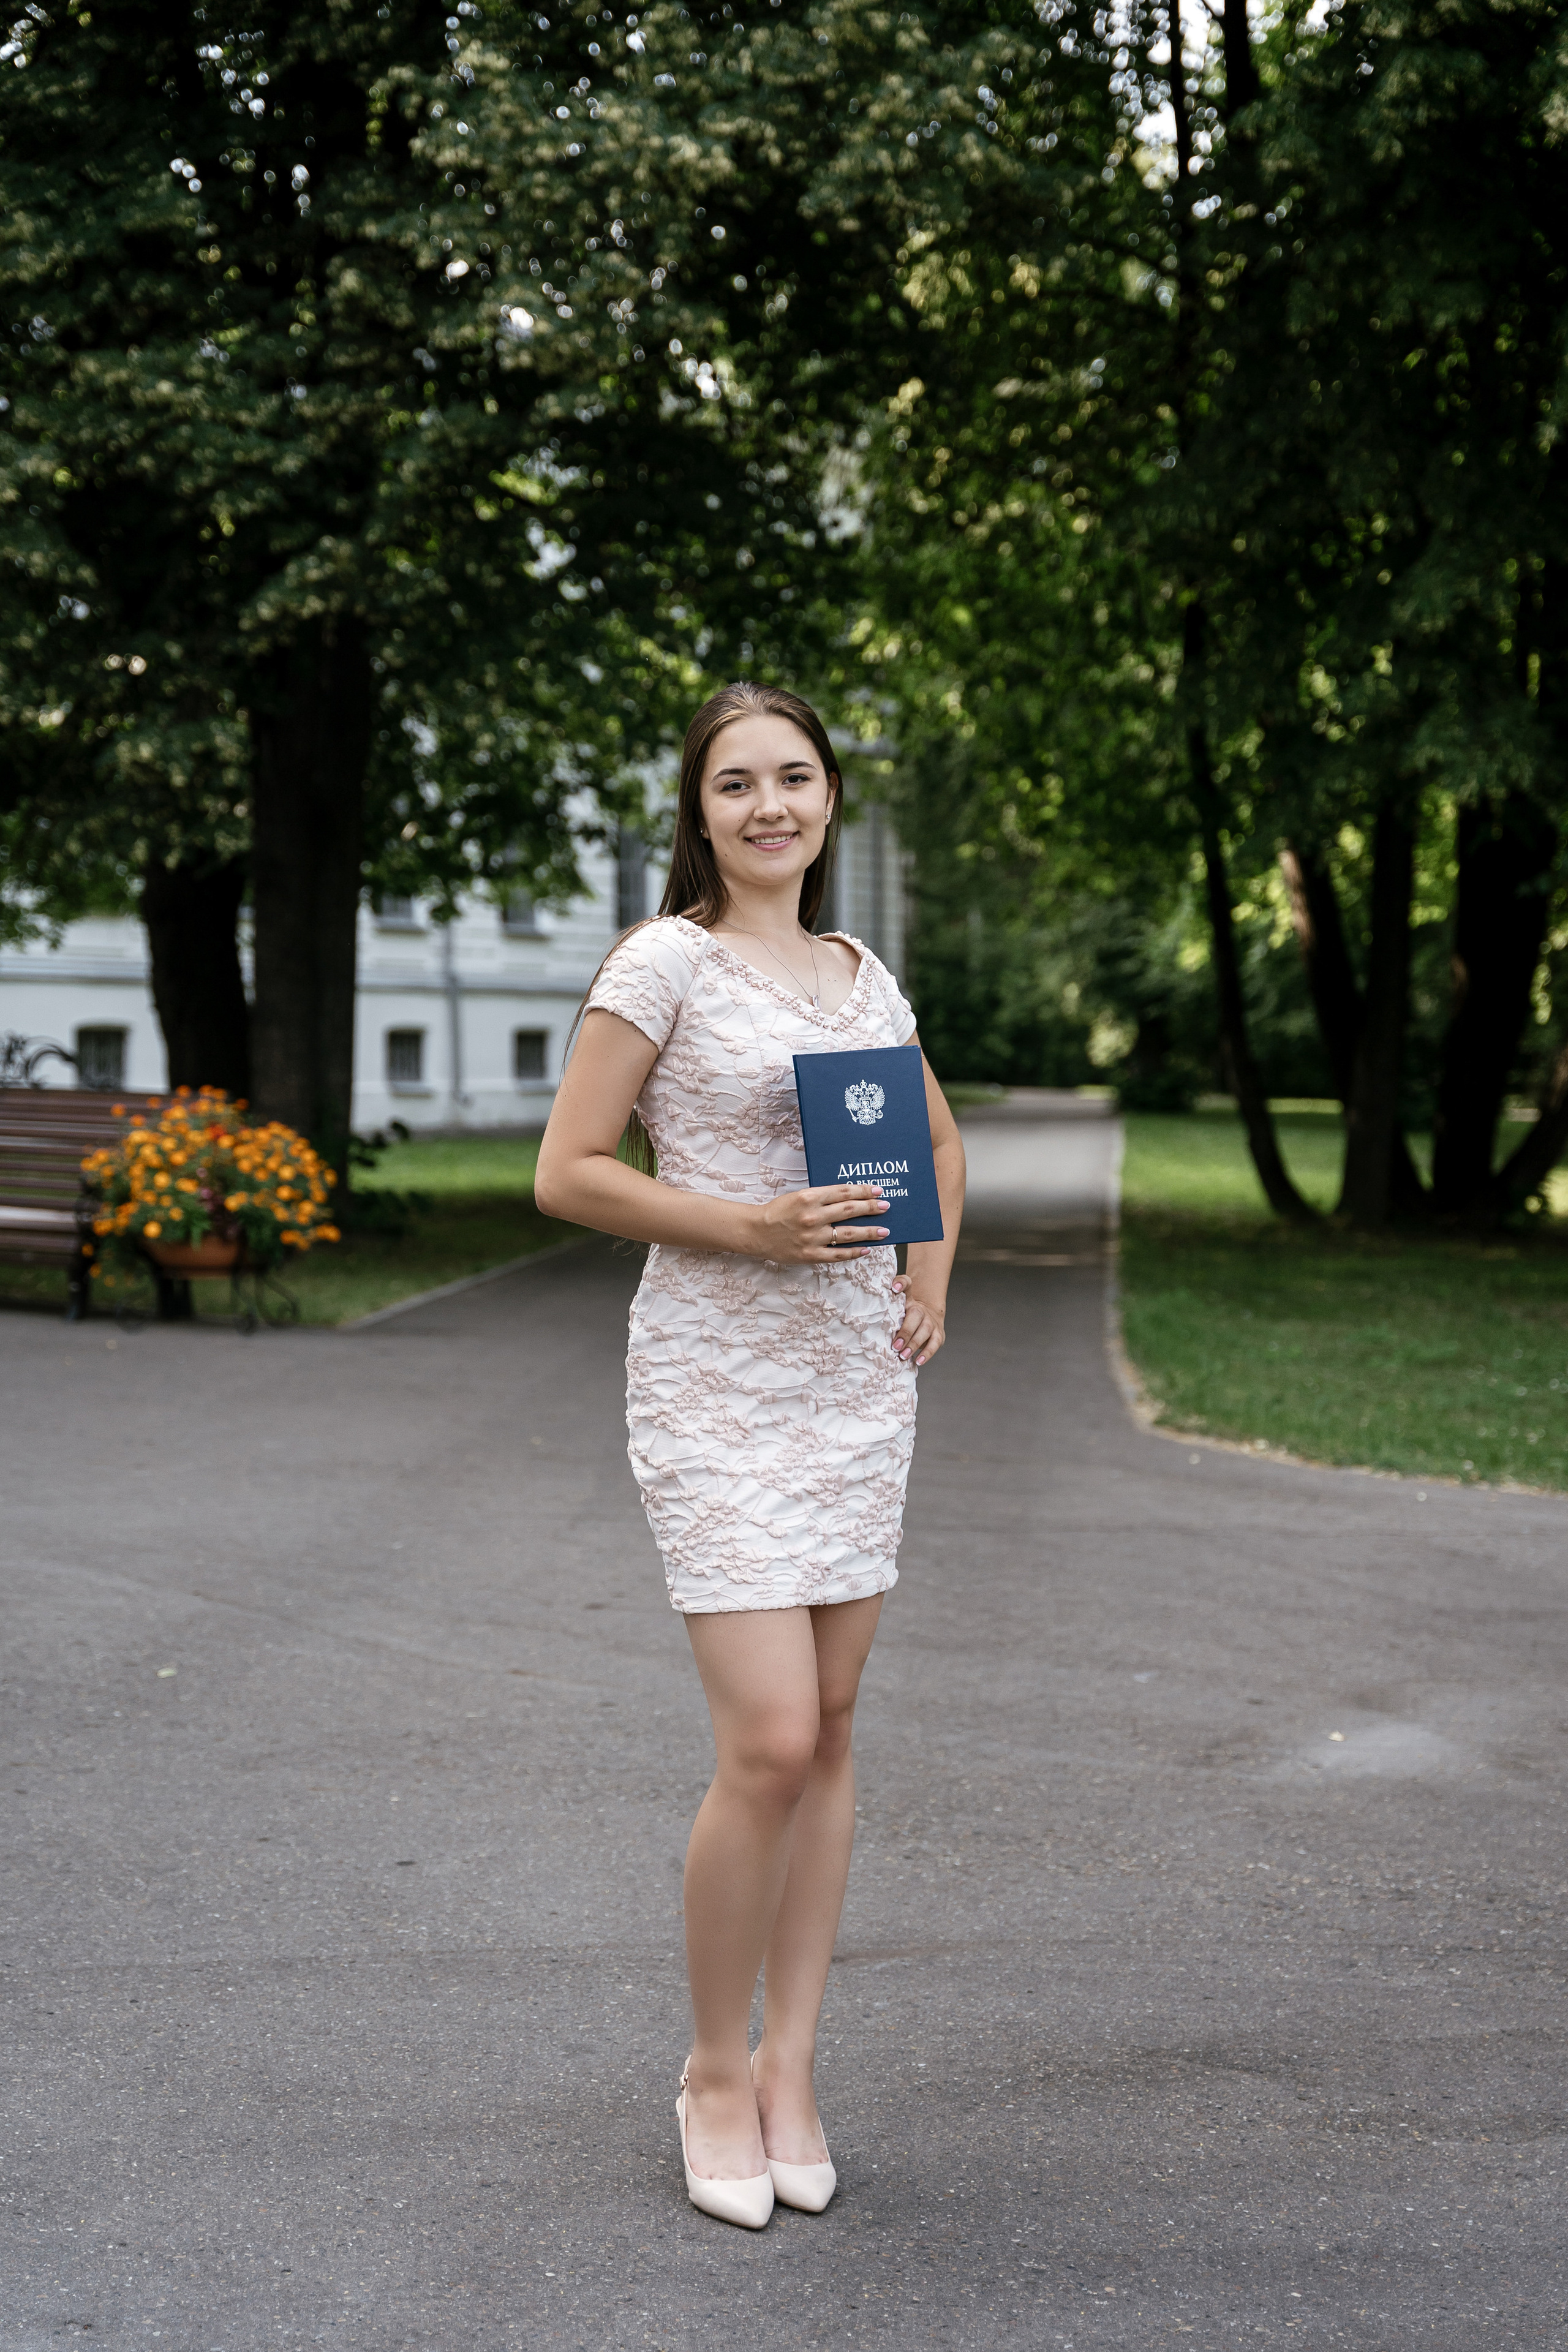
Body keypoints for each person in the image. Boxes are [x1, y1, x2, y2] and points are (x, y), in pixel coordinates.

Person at [535, 682, 966, 2228]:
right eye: (736, 783)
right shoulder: (662, 961)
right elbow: (566, 1171)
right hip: (716, 1385)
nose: (768, 804)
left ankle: (793, 2069)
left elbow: (934, 1143)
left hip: (854, 1386)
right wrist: (750, 1228)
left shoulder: (859, 972)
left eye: (794, 777)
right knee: (772, 1741)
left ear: (830, 798)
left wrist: (927, 1276)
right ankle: (713, 2071)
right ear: (699, 810)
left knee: (834, 1728)